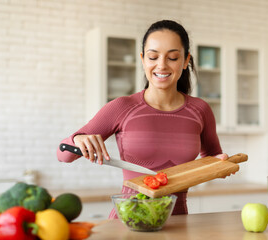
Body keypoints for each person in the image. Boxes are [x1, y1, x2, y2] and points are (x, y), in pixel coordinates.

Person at [57, 19, 228, 218]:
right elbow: (63, 155)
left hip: (179, 224)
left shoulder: (200, 110)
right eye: (153, 56)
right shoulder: (123, 107)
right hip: (128, 223)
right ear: (142, 59)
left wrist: (220, 163)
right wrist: (77, 139)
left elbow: (212, 157)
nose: (161, 65)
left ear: (186, 60)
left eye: (172, 57)